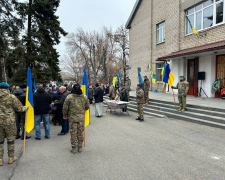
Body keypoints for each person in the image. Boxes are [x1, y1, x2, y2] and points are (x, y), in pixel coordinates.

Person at [0, 82, 28, 166]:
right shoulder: (12, 97)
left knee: (0, 142)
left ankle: (0, 159)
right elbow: (19, 108)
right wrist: (26, 107)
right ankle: (11, 158)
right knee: (10, 140)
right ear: (8, 88)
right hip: (10, 122)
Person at [63, 84, 90, 154]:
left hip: (72, 119)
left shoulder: (69, 97)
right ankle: (80, 147)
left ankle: (74, 148)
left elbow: (65, 107)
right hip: (81, 118)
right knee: (80, 133)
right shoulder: (84, 96)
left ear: (73, 88)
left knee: (73, 133)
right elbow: (87, 106)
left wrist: (65, 115)